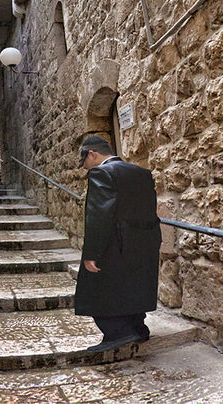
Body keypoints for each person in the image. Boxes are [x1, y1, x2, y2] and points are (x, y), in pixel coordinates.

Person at [74, 135, 161, 352]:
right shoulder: (142, 173)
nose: (84, 167)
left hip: (114, 243)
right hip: (144, 241)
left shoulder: (101, 172)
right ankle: (138, 329)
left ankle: (118, 333)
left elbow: (99, 215)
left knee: (98, 288)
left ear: (92, 154)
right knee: (134, 285)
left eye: (84, 161)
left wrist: (91, 253)